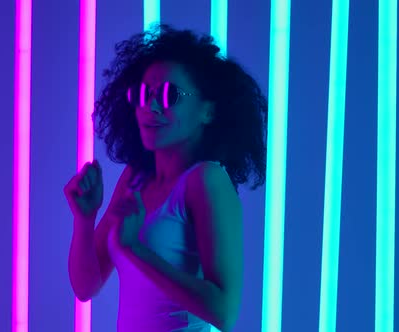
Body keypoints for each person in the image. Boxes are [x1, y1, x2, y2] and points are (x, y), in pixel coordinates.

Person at [64, 24, 267, 332]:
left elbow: (224, 311)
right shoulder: (136, 178)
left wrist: (136, 250)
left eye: (170, 95)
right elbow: (86, 286)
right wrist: (84, 218)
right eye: (144, 94)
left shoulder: (206, 180)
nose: (150, 106)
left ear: (208, 112)